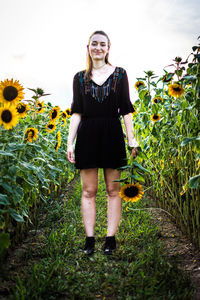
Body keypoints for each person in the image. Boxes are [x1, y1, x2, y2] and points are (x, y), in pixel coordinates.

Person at [67, 30, 139, 255]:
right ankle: (89, 240)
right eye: (94, 44)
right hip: (87, 134)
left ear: (108, 49)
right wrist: (70, 142)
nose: (98, 48)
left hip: (112, 133)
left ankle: (110, 239)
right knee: (88, 191)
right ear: (88, 48)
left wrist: (131, 139)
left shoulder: (119, 74)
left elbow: (126, 109)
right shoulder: (79, 78)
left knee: (112, 190)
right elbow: (77, 112)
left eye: (102, 44)